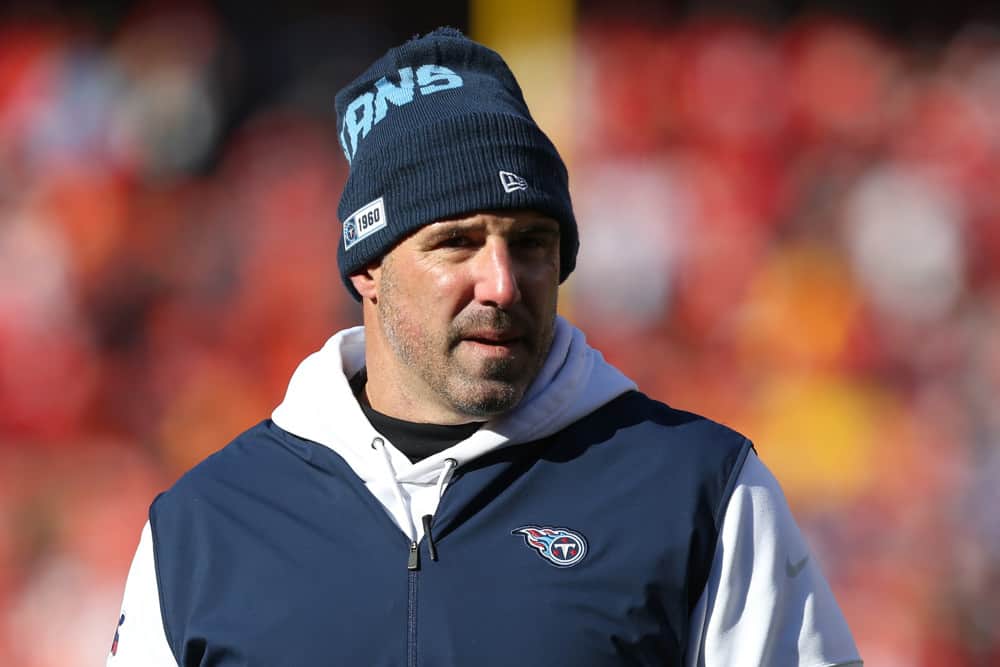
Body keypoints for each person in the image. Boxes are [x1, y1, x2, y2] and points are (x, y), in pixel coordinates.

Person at [108, 27, 862, 666]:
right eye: (457, 243)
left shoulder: (700, 490)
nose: (502, 282)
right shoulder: (205, 527)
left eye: (532, 243)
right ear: (368, 266)